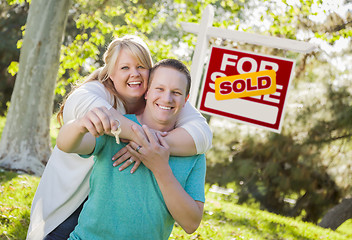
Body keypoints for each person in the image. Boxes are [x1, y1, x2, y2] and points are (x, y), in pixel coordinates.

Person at [26, 36, 212, 240]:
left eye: (141, 66)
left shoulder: (184, 134)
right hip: (67, 207)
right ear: (110, 73)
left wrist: (156, 156)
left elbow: (202, 133)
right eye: (125, 68)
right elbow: (66, 143)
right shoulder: (104, 109)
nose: (134, 74)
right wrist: (83, 125)